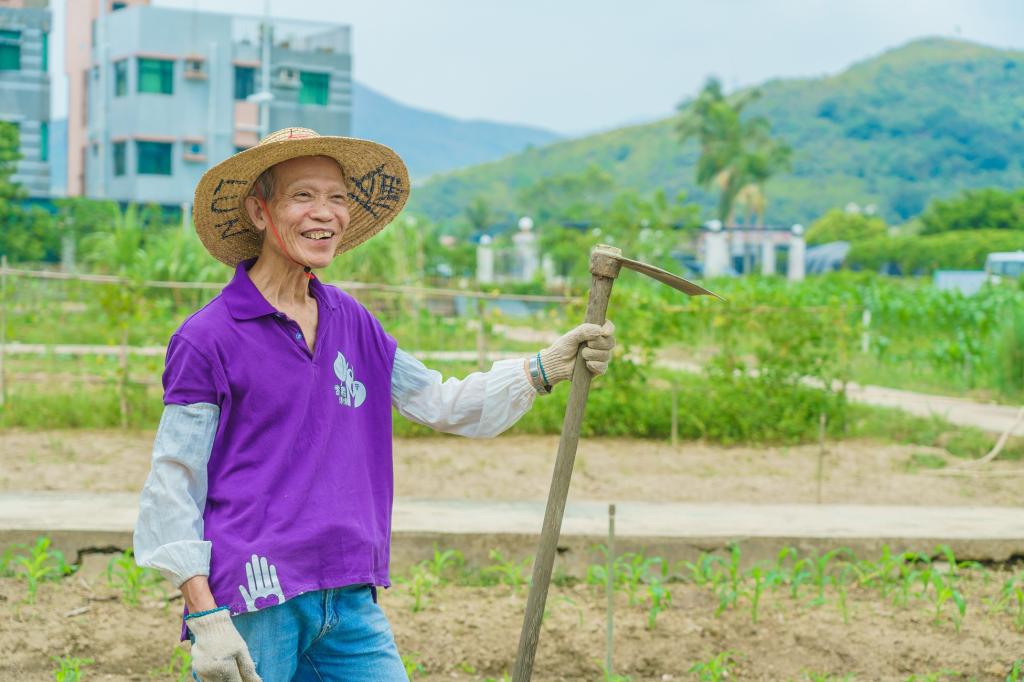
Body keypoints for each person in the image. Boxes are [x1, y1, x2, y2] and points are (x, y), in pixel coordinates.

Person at [133, 128, 616, 681]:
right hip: (255, 599)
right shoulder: (208, 338)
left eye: (337, 197)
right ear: (259, 211)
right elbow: (174, 480)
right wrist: (206, 618)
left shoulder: (352, 321)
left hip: (348, 593)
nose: (325, 213)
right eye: (303, 195)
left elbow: (437, 401)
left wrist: (543, 368)